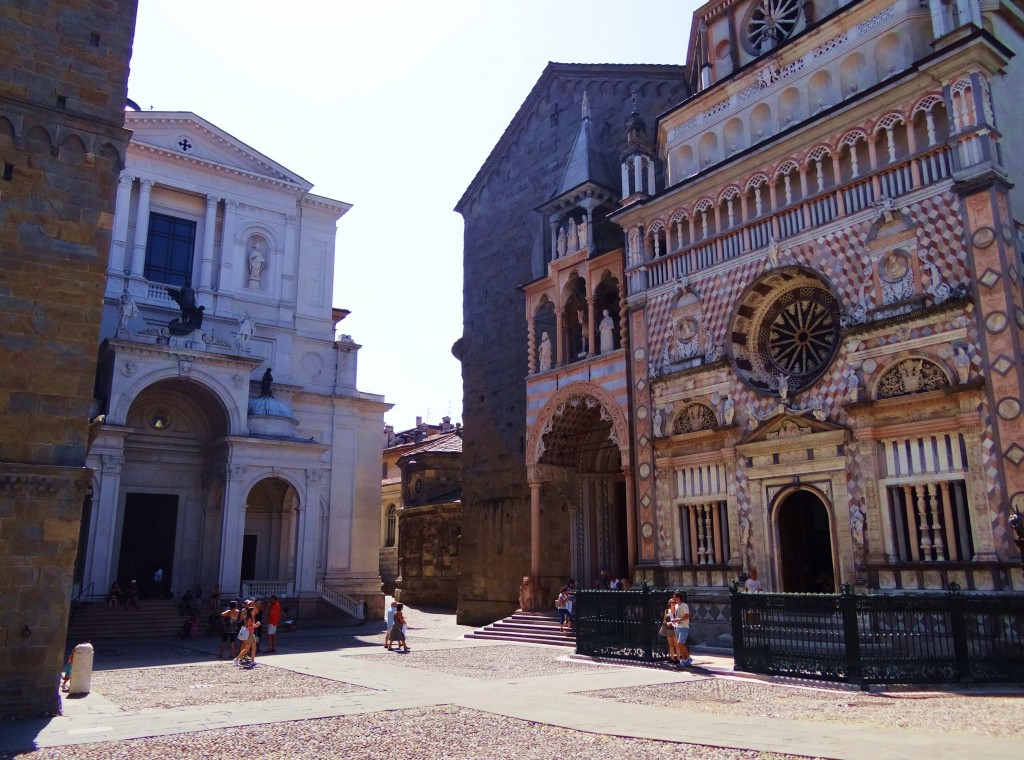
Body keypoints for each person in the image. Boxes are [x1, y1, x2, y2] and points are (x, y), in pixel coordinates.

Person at [670, 591, 692, 667]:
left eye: (674, 597)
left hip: (684, 627)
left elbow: (687, 616)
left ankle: (688, 657)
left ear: (678, 597)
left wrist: (678, 620)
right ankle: (684, 659)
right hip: (678, 627)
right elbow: (674, 615)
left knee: (680, 643)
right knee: (679, 645)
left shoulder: (684, 606)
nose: (673, 599)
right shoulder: (676, 606)